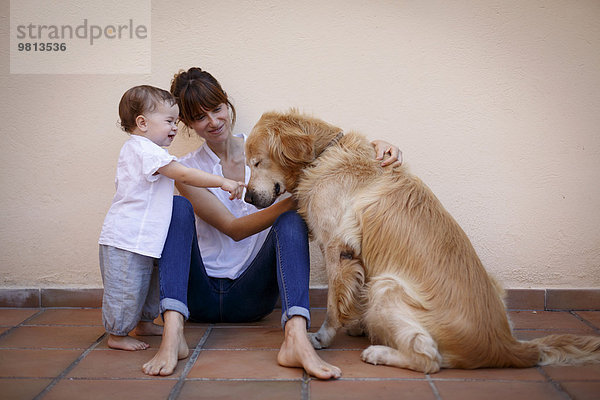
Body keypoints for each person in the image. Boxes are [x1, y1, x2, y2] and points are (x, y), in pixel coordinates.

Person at [141, 68, 402, 378]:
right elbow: (233, 229)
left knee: (292, 220)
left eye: (217, 108)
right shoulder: (185, 169)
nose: (213, 121)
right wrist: (303, 196)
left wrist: (376, 147)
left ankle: (296, 337)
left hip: (253, 295)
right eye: (199, 117)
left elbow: (324, 149)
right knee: (175, 206)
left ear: (227, 104)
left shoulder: (267, 148)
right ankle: (172, 335)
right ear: (187, 124)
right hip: (199, 295)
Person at [99, 85, 245, 351]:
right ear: (142, 123)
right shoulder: (143, 149)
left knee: (148, 285)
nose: (175, 128)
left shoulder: (151, 151)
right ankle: (117, 333)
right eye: (169, 121)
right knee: (125, 289)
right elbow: (185, 175)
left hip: (146, 238)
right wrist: (222, 182)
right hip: (126, 239)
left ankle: (144, 322)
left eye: (176, 121)